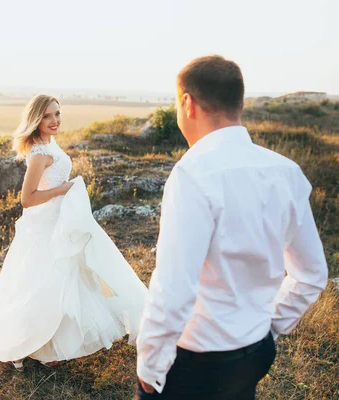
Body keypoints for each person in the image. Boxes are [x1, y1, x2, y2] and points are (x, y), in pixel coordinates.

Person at [135, 55, 328, 399]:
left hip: (196, 362)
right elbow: (312, 273)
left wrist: (150, 366)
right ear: (238, 103)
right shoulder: (285, 172)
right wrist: (269, 327)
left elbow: (174, 289)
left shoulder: (192, 174)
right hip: (255, 351)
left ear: (187, 103)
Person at [0, 94, 148, 371]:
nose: (54, 121)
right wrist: (64, 189)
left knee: (66, 278)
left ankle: (53, 340)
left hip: (60, 219)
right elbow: (27, 199)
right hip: (45, 224)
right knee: (43, 281)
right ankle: (20, 343)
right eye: (47, 116)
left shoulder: (49, 143)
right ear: (35, 120)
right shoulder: (39, 154)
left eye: (57, 114)